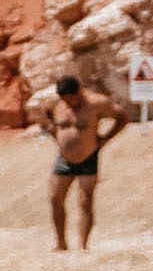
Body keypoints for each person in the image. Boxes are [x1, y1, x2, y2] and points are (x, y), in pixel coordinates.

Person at [38, 73, 124, 251]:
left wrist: (105, 138)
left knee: (85, 201)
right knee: (55, 198)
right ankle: (61, 244)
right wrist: (54, 132)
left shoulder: (96, 103)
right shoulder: (55, 104)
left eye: (72, 99)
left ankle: (83, 246)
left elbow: (122, 117)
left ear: (79, 93)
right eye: (65, 100)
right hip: (64, 158)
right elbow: (44, 115)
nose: (69, 104)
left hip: (88, 156)